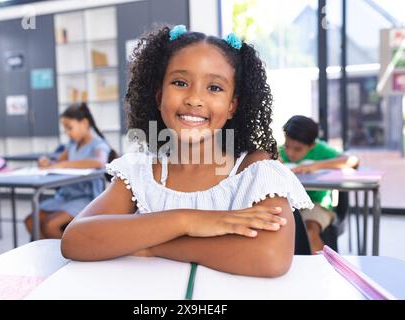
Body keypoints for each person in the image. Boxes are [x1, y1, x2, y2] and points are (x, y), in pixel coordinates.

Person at [61, 25, 313, 277]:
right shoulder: (141, 173)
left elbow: (270, 257)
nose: (194, 98)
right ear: (159, 96)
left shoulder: (256, 170)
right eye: (180, 82)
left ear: (232, 106)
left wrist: (155, 245)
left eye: (214, 88)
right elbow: (75, 240)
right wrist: (188, 221)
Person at [24, 103, 111, 239]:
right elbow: (58, 163)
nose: (68, 133)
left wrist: (64, 165)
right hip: (65, 197)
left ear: (84, 123)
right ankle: (47, 254)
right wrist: (47, 163)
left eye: (70, 128)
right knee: (30, 221)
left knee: (50, 225)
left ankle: (72, 252)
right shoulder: (72, 145)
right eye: (65, 129)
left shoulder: (98, 144)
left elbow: (100, 162)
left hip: (86, 199)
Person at [279, 115, 359, 254]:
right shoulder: (280, 153)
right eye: (287, 146)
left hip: (316, 204)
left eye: (297, 149)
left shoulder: (321, 151)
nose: (290, 153)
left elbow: (352, 161)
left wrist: (315, 166)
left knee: (310, 231)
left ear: (312, 145)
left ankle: (322, 268)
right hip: (290, 205)